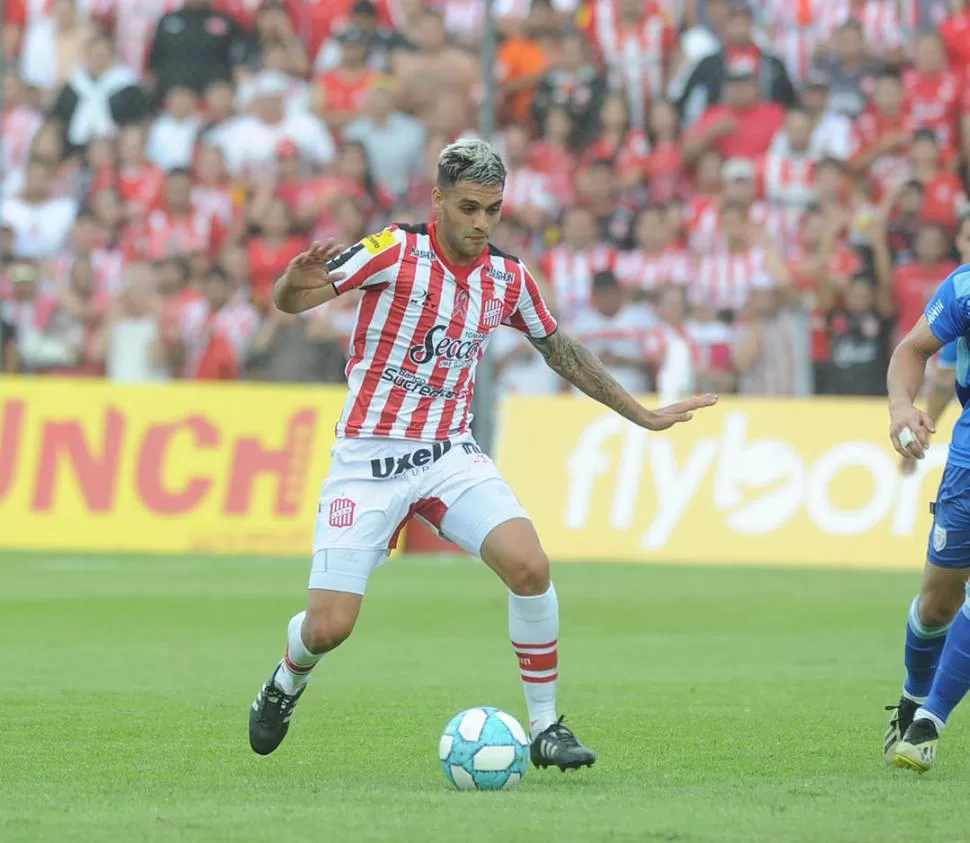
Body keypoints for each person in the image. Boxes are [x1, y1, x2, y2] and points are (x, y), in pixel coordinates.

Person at [247, 139, 718, 768]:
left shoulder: (508, 277)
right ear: (438, 198)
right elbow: (297, 299)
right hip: (368, 460)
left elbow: (560, 349)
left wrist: (641, 413)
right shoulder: (394, 251)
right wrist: (289, 281)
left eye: (492, 210)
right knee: (329, 627)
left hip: (449, 453)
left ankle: (547, 728)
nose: (481, 223)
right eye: (468, 207)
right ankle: (285, 680)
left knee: (530, 566)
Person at [884, 217, 970, 773]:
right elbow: (911, 352)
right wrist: (902, 410)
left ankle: (927, 723)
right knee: (939, 600)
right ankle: (914, 699)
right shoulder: (962, 289)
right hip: (967, 453)